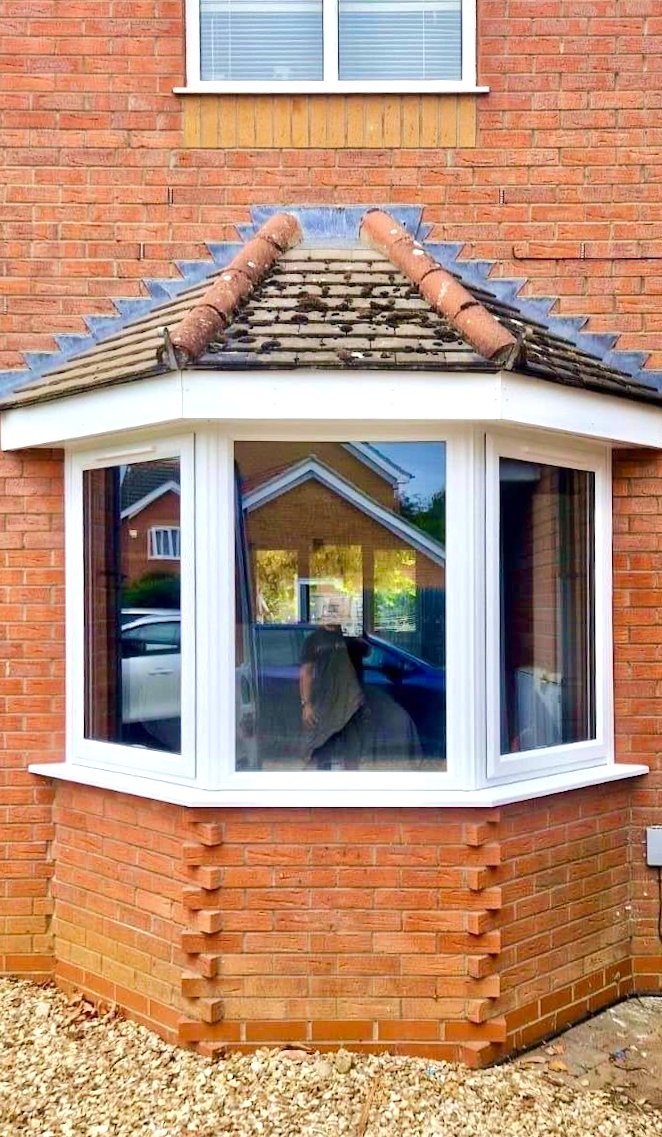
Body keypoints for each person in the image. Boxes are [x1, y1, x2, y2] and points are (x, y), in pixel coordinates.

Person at [299, 603, 365, 770]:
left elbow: (367, 651)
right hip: (325, 703)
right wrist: (306, 705)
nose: (331, 615)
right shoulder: (313, 640)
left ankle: (351, 789)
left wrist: (356, 630)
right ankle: (325, 789)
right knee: (323, 752)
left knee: (352, 753)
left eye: (336, 612)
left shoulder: (349, 635)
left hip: (351, 705)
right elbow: (306, 673)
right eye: (328, 611)